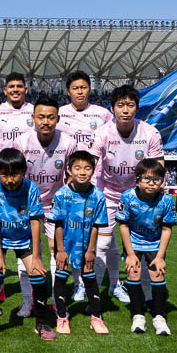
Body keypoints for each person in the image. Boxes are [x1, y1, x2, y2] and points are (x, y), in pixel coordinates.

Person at [90, 85, 164, 305]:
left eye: (130, 105)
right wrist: (93, 196)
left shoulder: (150, 132)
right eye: (120, 105)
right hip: (108, 194)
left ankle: (147, 297)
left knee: (144, 247)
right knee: (103, 243)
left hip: (139, 196)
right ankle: (98, 293)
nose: (125, 110)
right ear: (112, 108)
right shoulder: (102, 133)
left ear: (137, 108)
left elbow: (158, 166)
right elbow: (93, 166)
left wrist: (152, 194)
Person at [0, 148, 53, 344]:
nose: (10, 179)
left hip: (24, 237)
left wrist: (36, 256)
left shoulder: (31, 188)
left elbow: (35, 221)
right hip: (0, 236)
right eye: (4, 175)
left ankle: (42, 322)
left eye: (15, 174)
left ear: (24, 171)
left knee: (38, 274)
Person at [13, 96, 78, 316]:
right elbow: (17, 176)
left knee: (56, 251)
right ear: (33, 118)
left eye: (51, 117)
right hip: (26, 205)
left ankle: (55, 299)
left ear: (58, 119)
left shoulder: (68, 143)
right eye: (41, 117)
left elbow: (71, 175)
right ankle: (27, 301)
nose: (46, 121)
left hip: (55, 206)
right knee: (26, 252)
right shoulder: (22, 142)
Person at [57, 71, 112, 302]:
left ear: (90, 89)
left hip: (97, 183)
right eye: (75, 88)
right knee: (73, 236)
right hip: (71, 184)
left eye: (83, 87)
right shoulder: (60, 114)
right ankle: (78, 284)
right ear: (68, 91)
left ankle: (113, 284)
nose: (80, 91)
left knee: (105, 240)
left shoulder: (103, 114)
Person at [47, 150, 108, 334]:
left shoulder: (98, 196)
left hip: (86, 246)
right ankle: (62, 317)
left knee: (89, 275)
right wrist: (60, 250)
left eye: (87, 168)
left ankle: (96, 317)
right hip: (65, 245)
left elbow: (96, 225)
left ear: (93, 170)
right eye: (78, 168)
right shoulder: (61, 194)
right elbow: (58, 224)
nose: (82, 172)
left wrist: (91, 250)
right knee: (61, 275)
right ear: (69, 170)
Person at [116, 159, 176, 336]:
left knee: (157, 275)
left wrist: (160, 256)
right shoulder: (127, 197)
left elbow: (167, 229)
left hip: (155, 244)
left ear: (162, 181)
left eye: (156, 179)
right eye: (146, 179)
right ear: (137, 180)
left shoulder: (166, 200)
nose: (151, 183)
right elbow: (123, 225)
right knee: (133, 273)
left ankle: (159, 316)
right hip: (133, 243)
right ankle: (137, 315)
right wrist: (130, 254)